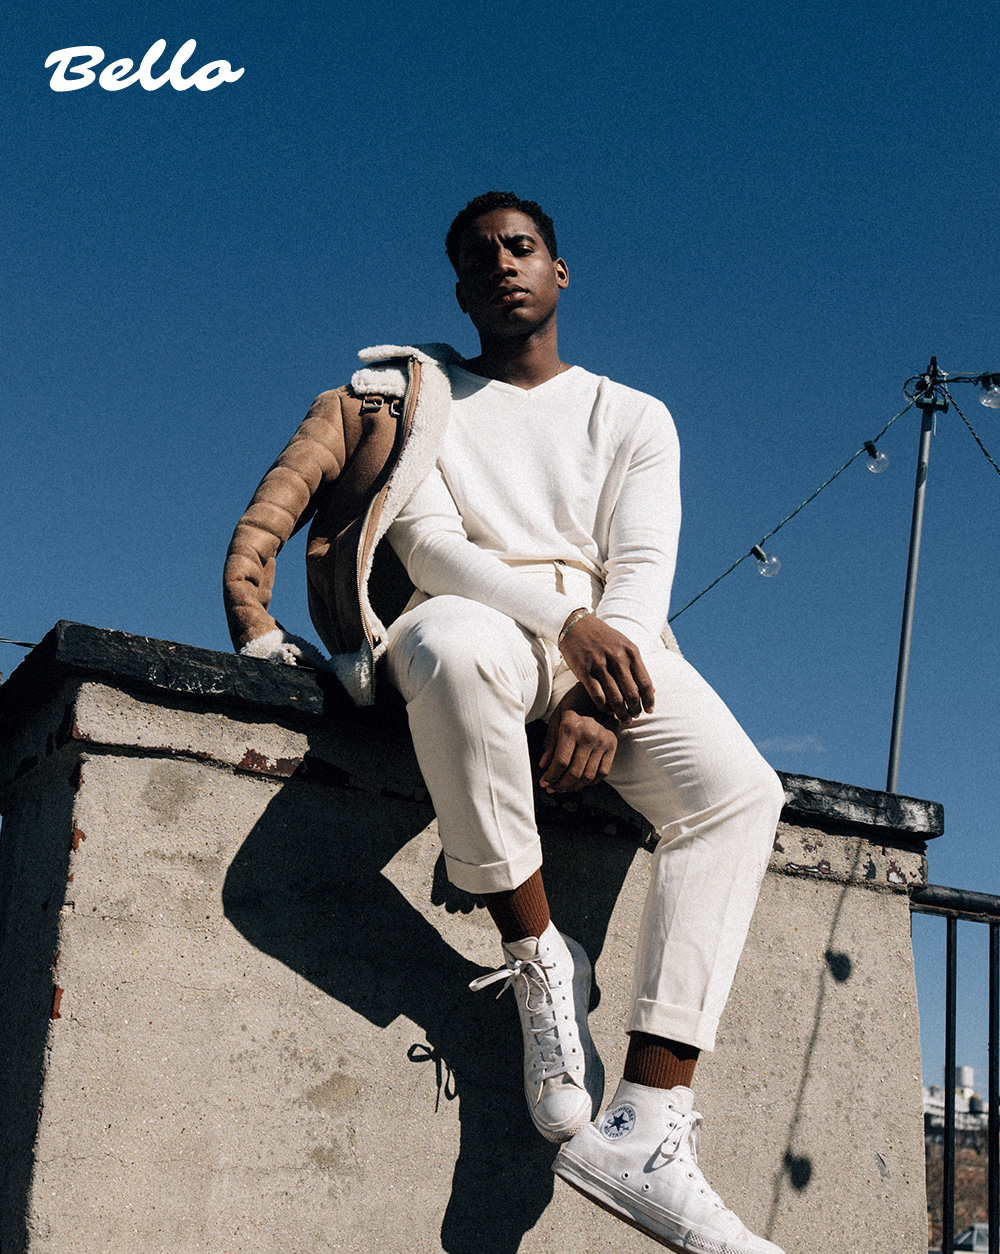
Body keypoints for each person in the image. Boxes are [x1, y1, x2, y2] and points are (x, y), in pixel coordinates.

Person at [223, 191, 786, 1254]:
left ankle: (648, 1118)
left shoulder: (634, 415)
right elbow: (430, 548)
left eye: (520, 247)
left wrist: (594, 686)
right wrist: (564, 629)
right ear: (458, 289)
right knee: (447, 647)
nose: (502, 265)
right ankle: (537, 954)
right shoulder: (423, 402)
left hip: (613, 640)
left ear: (558, 270)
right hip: (482, 616)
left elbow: (642, 569)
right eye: (478, 257)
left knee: (740, 794)